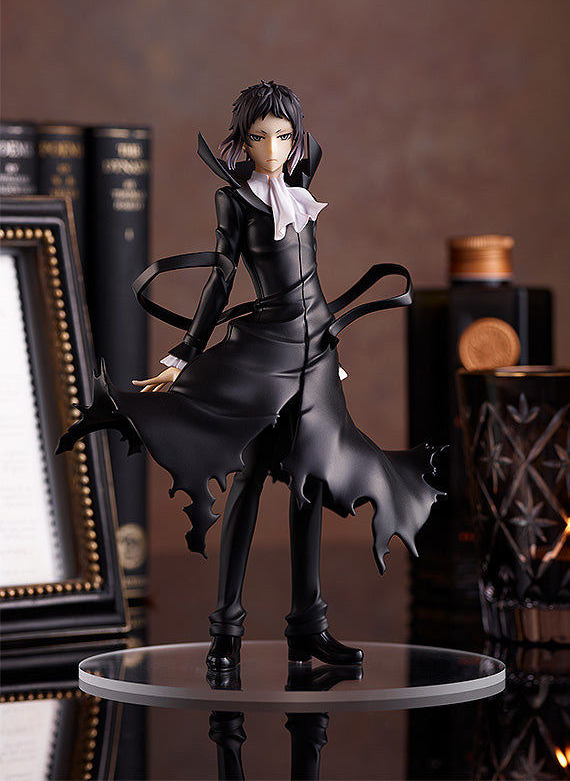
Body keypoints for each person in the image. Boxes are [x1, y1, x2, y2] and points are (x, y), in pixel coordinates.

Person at [58, 81, 444, 672]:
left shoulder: (301, 189)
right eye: (260, 138)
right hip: (266, 353)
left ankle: (308, 627)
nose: (273, 150)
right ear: (242, 142)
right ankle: (226, 631)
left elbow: (311, 273)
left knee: (313, 480)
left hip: (316, 352)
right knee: (252, 478)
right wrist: (184, 353)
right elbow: (220, 280)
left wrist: (327, 343)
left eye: (283, 137)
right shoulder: (234, 200)